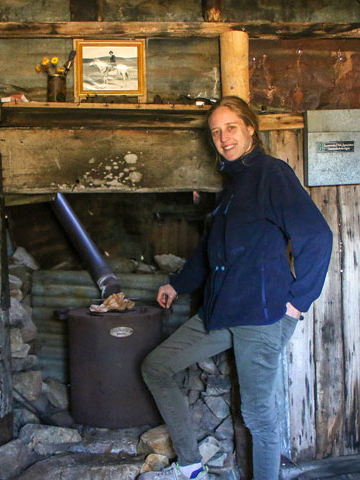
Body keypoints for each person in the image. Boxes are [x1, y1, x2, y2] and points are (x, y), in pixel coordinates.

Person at [140, 96, 333, 480]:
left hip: (261, 316)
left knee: (259, 419)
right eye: (216, 132)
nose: (224, 138)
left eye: (231, 127)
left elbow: (317, 235)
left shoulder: (270, 173)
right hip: (221, 310)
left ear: (250, 129)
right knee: (156, 367)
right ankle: (192, 465)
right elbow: (212, 249)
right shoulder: (232, 183)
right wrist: (177, 284)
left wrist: (296, 305)